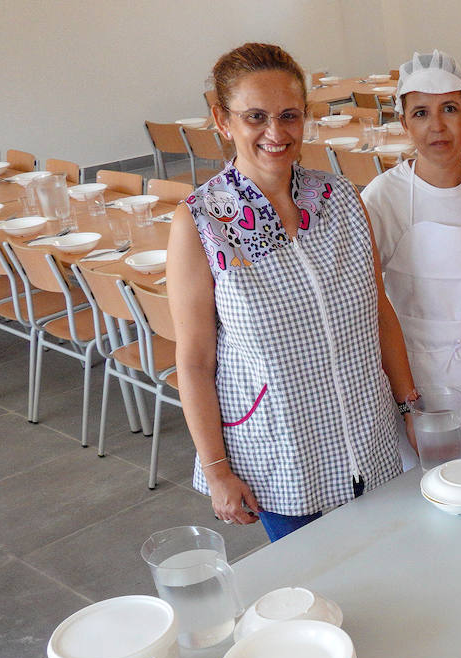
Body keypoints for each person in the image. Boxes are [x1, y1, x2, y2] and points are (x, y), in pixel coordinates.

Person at [167, 42, 417, 542]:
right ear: (223, 119)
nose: (275, 133)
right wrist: (216, 470)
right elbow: (194, 361)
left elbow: (379, 310)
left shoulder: (339, 197)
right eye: (255, 116)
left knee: (396, 572)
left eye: (289, 116)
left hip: (368, 436)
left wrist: (410, 406)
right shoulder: (201, 222)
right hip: (281, 452)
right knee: (315, 595)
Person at [363, 49, 461, 446]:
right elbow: (367, 292)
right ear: (402, 123)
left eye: (449, 108)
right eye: (420, 113)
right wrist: (405, 400)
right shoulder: (384, 197)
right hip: (418, 370)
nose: (437, 127)